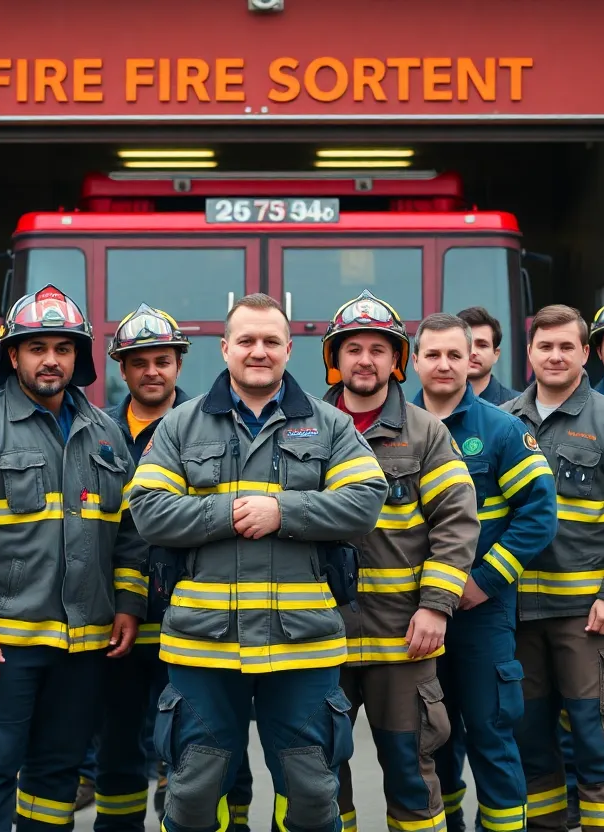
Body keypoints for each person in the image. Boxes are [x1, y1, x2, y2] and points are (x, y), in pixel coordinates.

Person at [128, 293, 387, 832]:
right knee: (195, 794)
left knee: (314, 797)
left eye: (271, 341)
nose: (258, 351)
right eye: (246, 340)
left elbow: (365, 500)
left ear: (290, 350)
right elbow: (148, 511)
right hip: (203, 645)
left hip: (302, 644)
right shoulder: (179, 426)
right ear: (224, 349)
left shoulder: (330, 425)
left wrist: (282, 511)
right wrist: (232, 513)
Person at [0, 285, 147, 832]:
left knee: (56, 778)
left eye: (63, 348)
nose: (50, 359)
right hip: (2, 648)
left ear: (78, 358)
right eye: (36, 347)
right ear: (12, 356)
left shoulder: (105, 434)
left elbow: (132, 531)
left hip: (83, 646)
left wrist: (129, 603)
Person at [502, 304, 604, 832]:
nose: (555, 356)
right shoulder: (505, 421)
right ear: (529, 354)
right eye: (545, 346)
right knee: (530, 741)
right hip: (517, 617)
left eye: (566, 347)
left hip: (586, 616)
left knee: (598, 739)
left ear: (584, 354)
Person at [320, 292, 479, 832]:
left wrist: (436, 608)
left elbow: (456, 526)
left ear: (396, 361)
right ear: (334, 360)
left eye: (378, 350)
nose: (365, 360)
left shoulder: (427, 433)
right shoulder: (303, 431)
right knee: (317, 777)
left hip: (401, 638)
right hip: (318, 635)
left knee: (412, 774)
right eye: (353, 349)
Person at [97, 302, 258, 831]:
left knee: (210, 743)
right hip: (118, 622)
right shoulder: (96, 434)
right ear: (122, 369)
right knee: (120, 745)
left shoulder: (210, 425)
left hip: (194, 620)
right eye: (139, 361)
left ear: (179, 364)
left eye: (162, 360)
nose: (151, 371)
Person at [413, 312, 558, 832]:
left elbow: (540, 515)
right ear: (415, 361)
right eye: (434, 354)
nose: (446, 364)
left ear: (474, 357)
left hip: (480, 614)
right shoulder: (397, 428)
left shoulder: (501, 429)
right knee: (433, 739)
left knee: (493, 738)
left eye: (457, 354)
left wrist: (484, 582)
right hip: (416, 616)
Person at [458, 306, 521, 405]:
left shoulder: (519, 406)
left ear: (496, 354)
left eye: (482, 345)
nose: (473, 352)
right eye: (466, 344)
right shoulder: (432, 405)